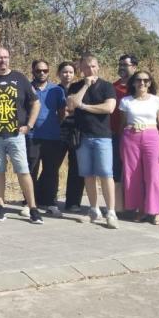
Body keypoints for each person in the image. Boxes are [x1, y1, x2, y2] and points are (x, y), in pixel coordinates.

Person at [0, 47, 43, 224]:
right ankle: (0, 207)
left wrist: (29, 125)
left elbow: (36, 103)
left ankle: (33, 208)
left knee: (23, 171)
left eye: (5, 57)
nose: (3, 61)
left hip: (16, 135)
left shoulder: (20, 79)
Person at [67, 54, 119, 229]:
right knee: (88, 175)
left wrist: (84, 106)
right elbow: (71, 105)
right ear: (81, 69)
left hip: (102, 136)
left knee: (106, 174)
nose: (90, 70)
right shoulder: (76, 86)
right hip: (82, 136)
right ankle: (94, 209)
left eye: (93, 66)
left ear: (98, 67)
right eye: (87, 67)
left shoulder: (107, 86)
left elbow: (109, 108)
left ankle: (111, 212)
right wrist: (85, 86)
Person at [118, 70, 159, 225]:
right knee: (133, 175)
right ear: (133, 82)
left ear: (150, 83)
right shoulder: (126, 101)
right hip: (130, 137)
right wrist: (122, 141)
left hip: (152, 137)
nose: (142, 83)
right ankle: (140, 209)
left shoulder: (156, 100)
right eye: (139, 80)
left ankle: (156, 211)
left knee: (154, 175)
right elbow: (122, 124)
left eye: (146, 80)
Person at [28, 59, 67, 217]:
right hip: (32, 136)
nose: (42, 73)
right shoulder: (27, 88)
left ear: (49, 71)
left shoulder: (56, 90)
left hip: (52, 137)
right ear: (33, 71)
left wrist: (55, 126)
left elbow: (62, 112)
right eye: (38, 71)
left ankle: (51, 203)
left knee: (51, 171)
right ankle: (30, 203)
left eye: (45, 70)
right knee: (31, 170)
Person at [112, 54, 139, 212]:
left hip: (136, 136)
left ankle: (135, 205)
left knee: (134, 171)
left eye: (125, 65)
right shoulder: (112, 87)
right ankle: (119, 207)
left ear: (134, 67)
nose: (121, 67)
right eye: (120, 64)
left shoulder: (140, 88)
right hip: (115, 135)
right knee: (116, 170)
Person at [59, 62, 85, 213]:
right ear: (59, 74)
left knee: (76, 167)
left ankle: (73, 202)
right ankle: (46, 198)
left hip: (76, 130)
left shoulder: (79, 88)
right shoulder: (55, 89)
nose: (67, 75)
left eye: (70, 72)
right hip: (59, 130)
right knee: (52, 166)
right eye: (64, 72)